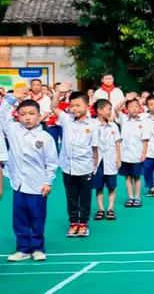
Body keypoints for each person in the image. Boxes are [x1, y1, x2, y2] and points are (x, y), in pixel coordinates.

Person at [1, 86, 58, 261]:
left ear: (39, 115)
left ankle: (38, 248)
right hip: (18, 183)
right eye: (23, 113)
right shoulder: (13, 130)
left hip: (37, 185)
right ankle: (23, 248)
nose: (27, 117)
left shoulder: (45, 138)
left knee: (37, 217)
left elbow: (52, 163)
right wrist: (11, 98)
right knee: (19, 218)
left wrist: (48, 182)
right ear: (18, 115)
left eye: (31, 113)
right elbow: (1, 115)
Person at [51, 83, 98, 238]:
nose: (74, 108)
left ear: (87, 105)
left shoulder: (92, 124)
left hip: (85, 166)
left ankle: (83, 223)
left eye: (78, 105)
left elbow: (95, 148)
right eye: (72, 106)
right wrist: (58, 92)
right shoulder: (66, 119)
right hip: (67, 166)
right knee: (71, 196)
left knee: (84, 197)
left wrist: (95, 165)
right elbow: (53, 107)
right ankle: (73, 223)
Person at [114, 94, 148, 207]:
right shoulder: (123, 119)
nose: (134, 108)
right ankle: (131, 197)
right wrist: (125, 99)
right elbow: (115, 109)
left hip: (137, 155)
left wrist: (144, 153)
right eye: (131, 106)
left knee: (137, 177)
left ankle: (137, 198)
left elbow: (145, 139)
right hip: (125, 155)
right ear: (127, 109)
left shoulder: (143, 121)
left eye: (136, 106)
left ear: (140, 108)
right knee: (128, 177)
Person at [91, 99, 122, 221]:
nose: (110, 112)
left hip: (111, 159)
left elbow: (117, 143)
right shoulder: (92, 125)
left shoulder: (113, 125)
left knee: (111, 186)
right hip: (97, 161)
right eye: (108, 109)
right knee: (98, 186)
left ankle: (110, 208)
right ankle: (100, 209)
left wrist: (119, 158)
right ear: (99, 111)